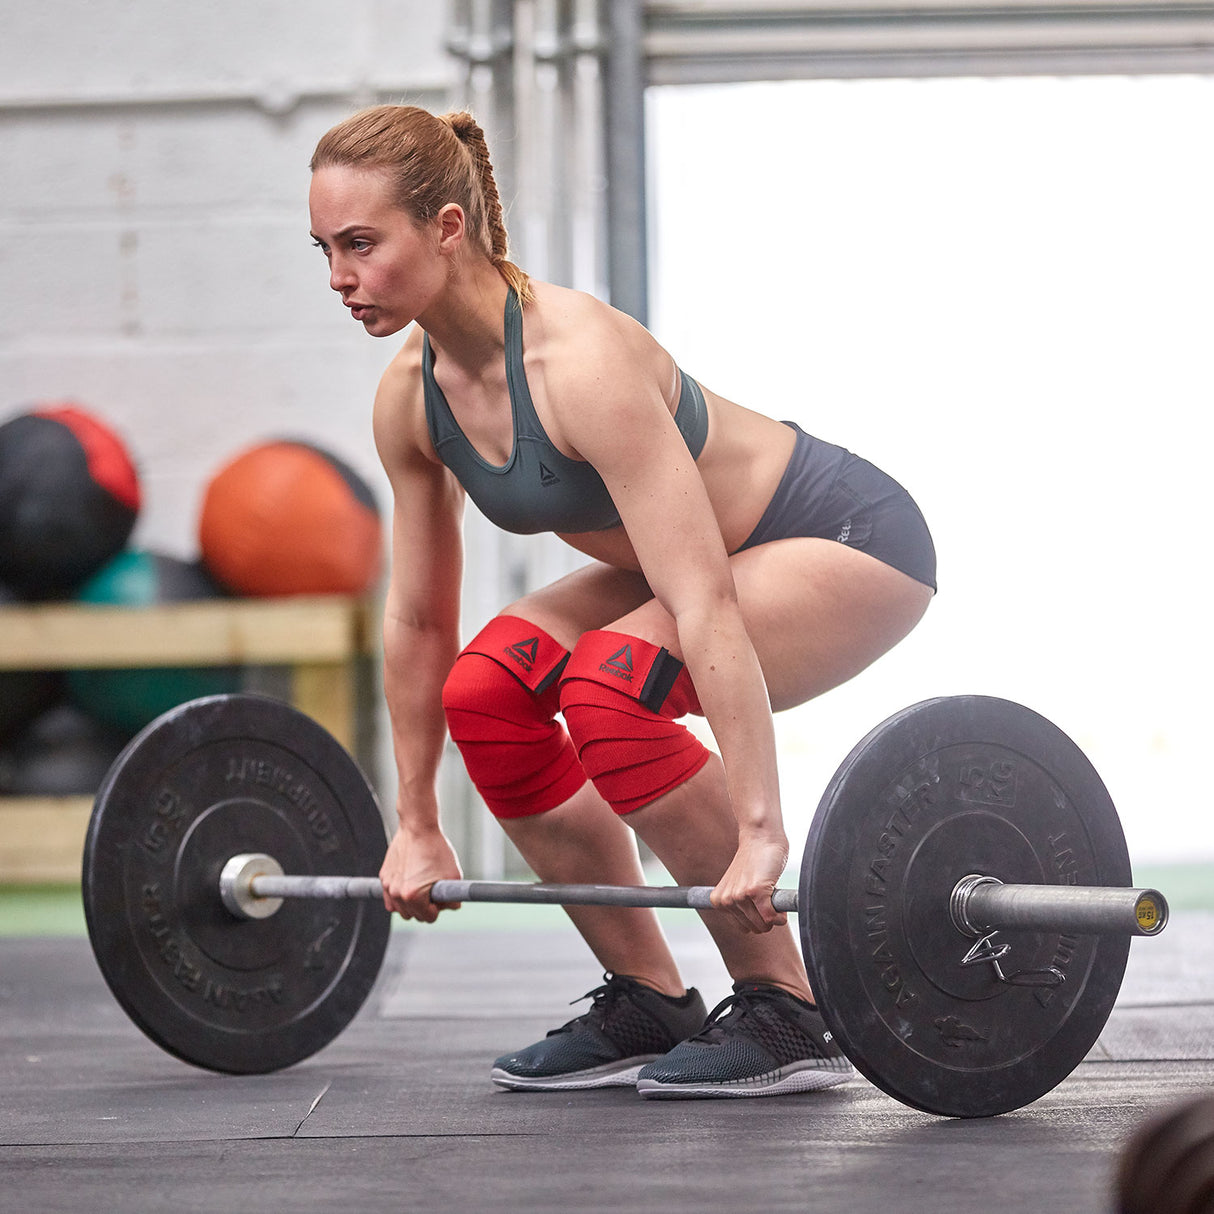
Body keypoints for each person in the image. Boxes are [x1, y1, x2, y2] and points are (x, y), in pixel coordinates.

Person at [308, 105, 936, 1099]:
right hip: (696, 562)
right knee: (487, 689)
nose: (338, 277)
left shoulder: (577, 363)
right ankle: (648, 992)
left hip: (841, 536)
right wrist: (416, 818)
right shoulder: (410, 399)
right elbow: (420, 621)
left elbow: (703, 602)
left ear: (445, 227)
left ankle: (787, 1000)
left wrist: (761, 828)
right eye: (325, 249)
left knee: (609, 685)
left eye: (359, 244)